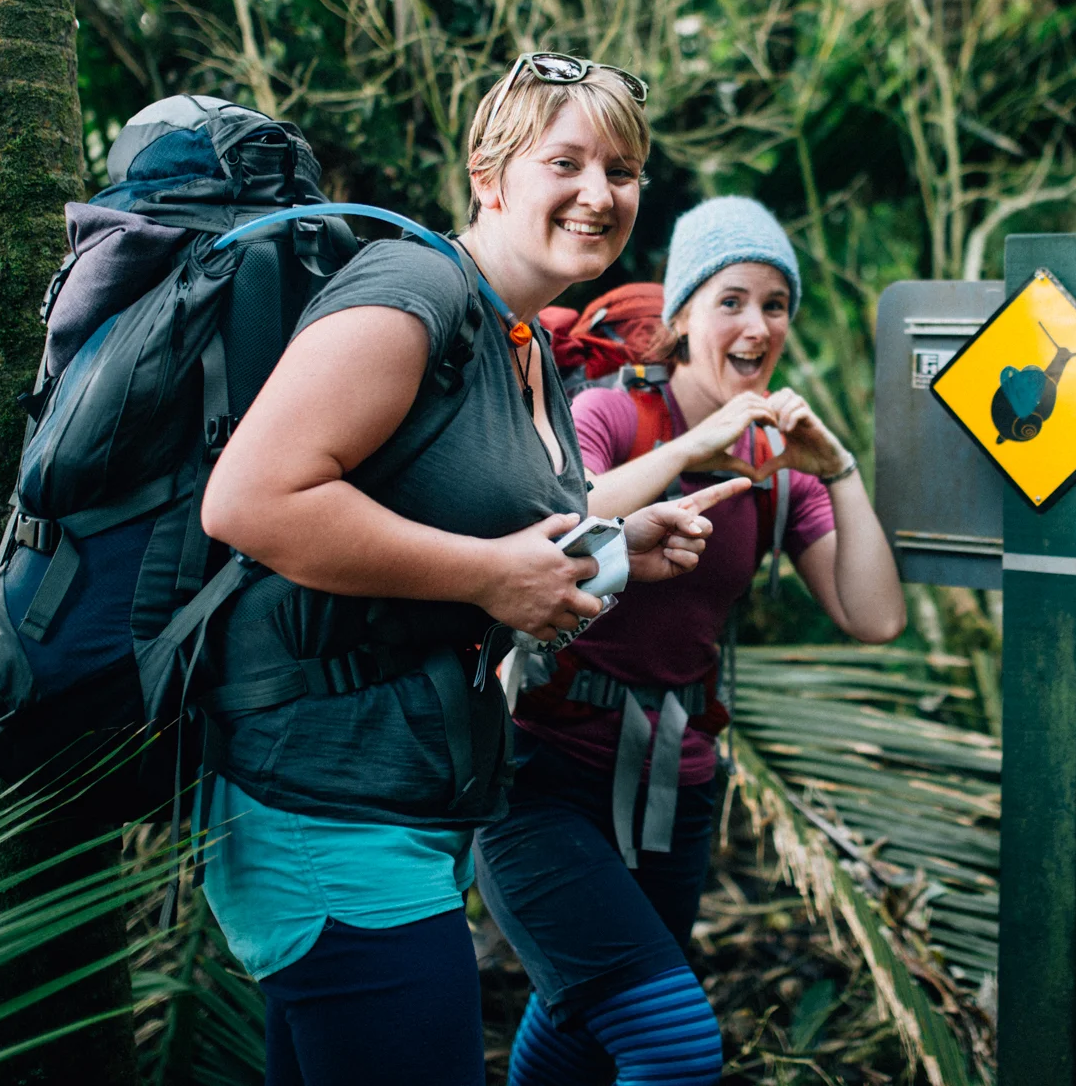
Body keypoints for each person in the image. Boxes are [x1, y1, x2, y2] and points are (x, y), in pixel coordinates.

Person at [197, 54, 745, 1086]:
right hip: (323, 794)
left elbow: (483, 538)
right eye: (567, 161)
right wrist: (488, 576)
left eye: (621, 169)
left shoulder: (525, 338)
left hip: (412, 799)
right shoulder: (413, 291)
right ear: (489, 174)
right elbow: (249, 499)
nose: (600, 192)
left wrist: (620, 547)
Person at [475, 195, 908, 1086]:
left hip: (676, 787)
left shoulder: (777, 474)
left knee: (587, 1024)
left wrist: (838, 469)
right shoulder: (602, 415)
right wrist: (694, 441)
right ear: (681, 318)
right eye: (731, 301)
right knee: (671, 1040)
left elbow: (876, 617)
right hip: (539, 779)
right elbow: (562, 520)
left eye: (775, 304)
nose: (757, 325)